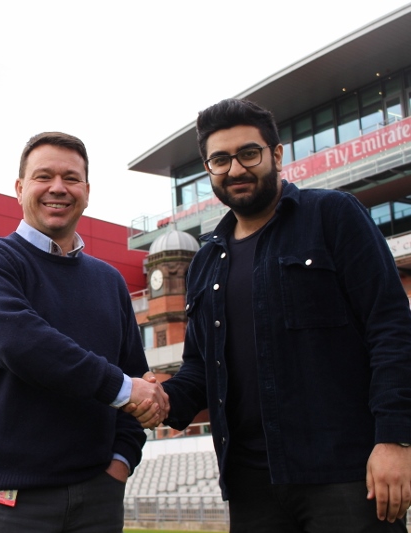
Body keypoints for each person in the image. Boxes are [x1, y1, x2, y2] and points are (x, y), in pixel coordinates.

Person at [146, 98, 411, 532]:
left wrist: (395, 439)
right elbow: (198, 369)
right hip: (251, 486)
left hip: (344, 473)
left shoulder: (333, 216)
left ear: (276, 153)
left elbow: (391, 329)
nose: (235, 169)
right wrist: (156, 398)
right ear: (209, 169)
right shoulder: (206, 262)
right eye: (220, 159)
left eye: (248, 153)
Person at [0, 132, 168, 533]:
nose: (58, 188)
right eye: (43, 176)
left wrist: (120, 463)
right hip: (8, 502)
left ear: (87, 191)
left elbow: (136, 377)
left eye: (71, 178)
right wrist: (123, 388)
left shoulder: (109, 281)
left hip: (97, 498)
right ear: (19, 189)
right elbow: (20, 344)